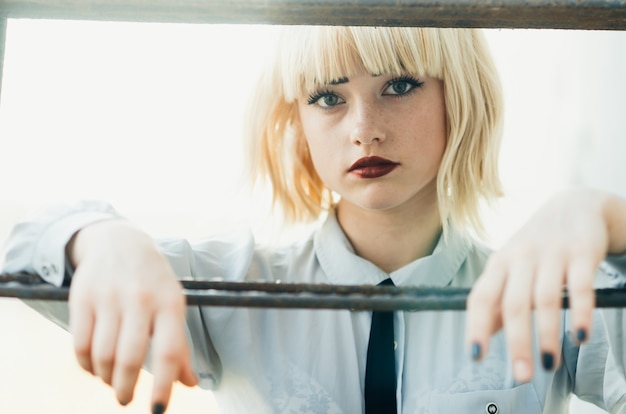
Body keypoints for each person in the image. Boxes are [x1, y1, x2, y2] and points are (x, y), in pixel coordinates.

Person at [2, 26, 626, 414]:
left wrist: (609, 217)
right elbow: (20, 250)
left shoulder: (555, 299)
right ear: (295, 123)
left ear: (458, 94)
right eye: (329, 97)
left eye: (400, 84)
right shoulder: (234, 283)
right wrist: (100, 239)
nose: (364, 129)